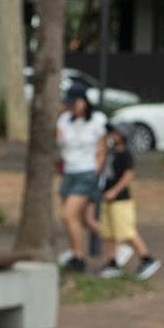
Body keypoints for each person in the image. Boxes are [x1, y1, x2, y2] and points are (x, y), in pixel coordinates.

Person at [96, 123, 162, 280]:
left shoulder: (126, 154)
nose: (112, 134)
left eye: (115, 132)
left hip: (121, 200)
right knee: (109, 233)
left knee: (127, 231)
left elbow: (128, 175)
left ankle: (146, 258)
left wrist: (114, 191)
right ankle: (112, 261)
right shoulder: (111, 152)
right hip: (107, 199)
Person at [56, 83, 107, 273]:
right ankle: (77, 251)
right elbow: (58, 141)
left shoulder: (97, 120)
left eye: (74, 103)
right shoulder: (64, 121)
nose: (71, 106)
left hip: (87, 173)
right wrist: (61, 112)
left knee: (68, 215)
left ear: (84, 101)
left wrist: (96, 171)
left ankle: (78, 257)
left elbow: (102, 149)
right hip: (69, 172)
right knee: (82, 219)